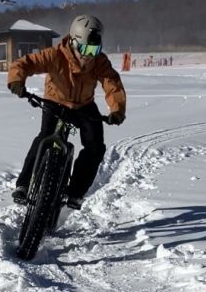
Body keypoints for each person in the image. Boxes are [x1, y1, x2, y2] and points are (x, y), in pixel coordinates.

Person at [7, 14, 126, 210]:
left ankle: (75, 193)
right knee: (45, 137)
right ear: (73, 41)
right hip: (55, 102)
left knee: (95, 147)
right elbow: (25, 63)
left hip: (84, 105)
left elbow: (111, 83)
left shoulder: (99, 62)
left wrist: (117, 110)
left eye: (94, 49)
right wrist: (16, 80)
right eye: (85, 48)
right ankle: (24, 185)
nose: (89, 55)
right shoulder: (55, 55)